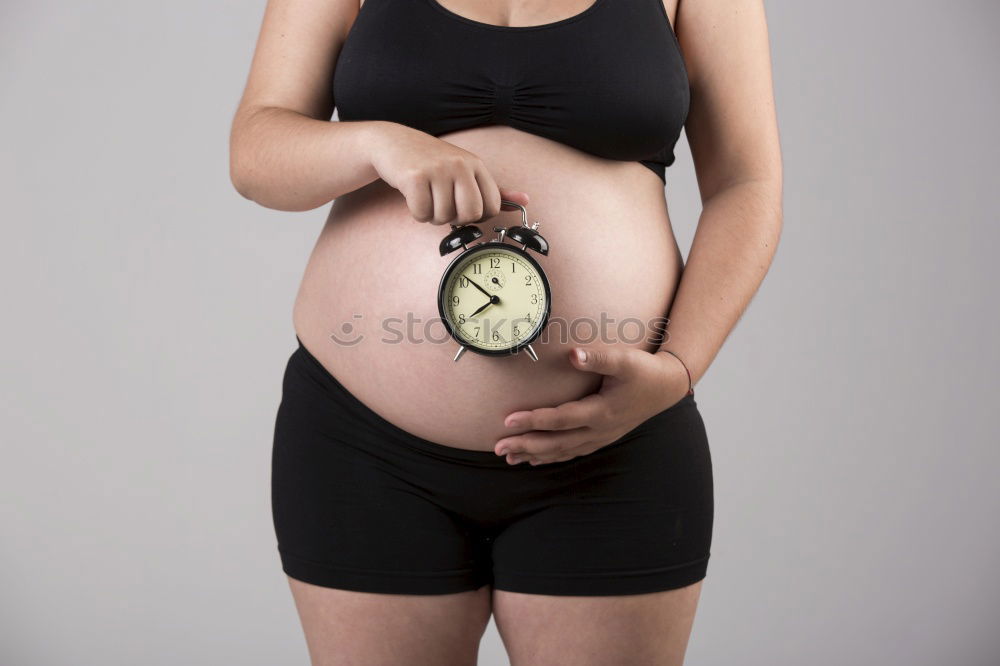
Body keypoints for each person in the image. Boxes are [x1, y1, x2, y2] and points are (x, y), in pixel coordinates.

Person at [229, 0, 782, 662]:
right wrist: (374, 142)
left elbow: (745, 182)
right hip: (366, 446)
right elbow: (256, 152)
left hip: (613, 443)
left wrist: (680, 369)